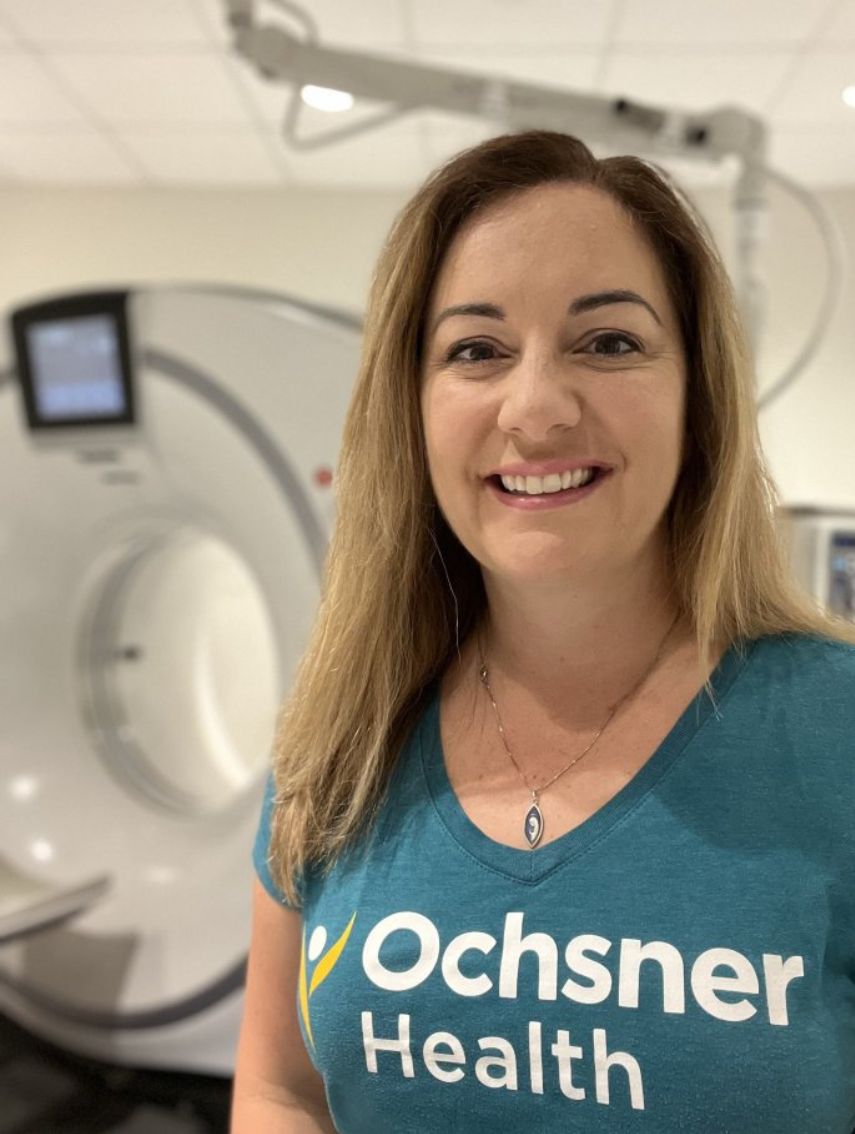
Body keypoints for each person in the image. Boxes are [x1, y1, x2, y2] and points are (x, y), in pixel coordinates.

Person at [230, 131, 855, 1133]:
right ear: (413, 406)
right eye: (475, 350)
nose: (537, 408)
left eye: (609, 342)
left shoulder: (835, 731)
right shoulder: (342, 733)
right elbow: (281, 1089)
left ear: (699, 397)